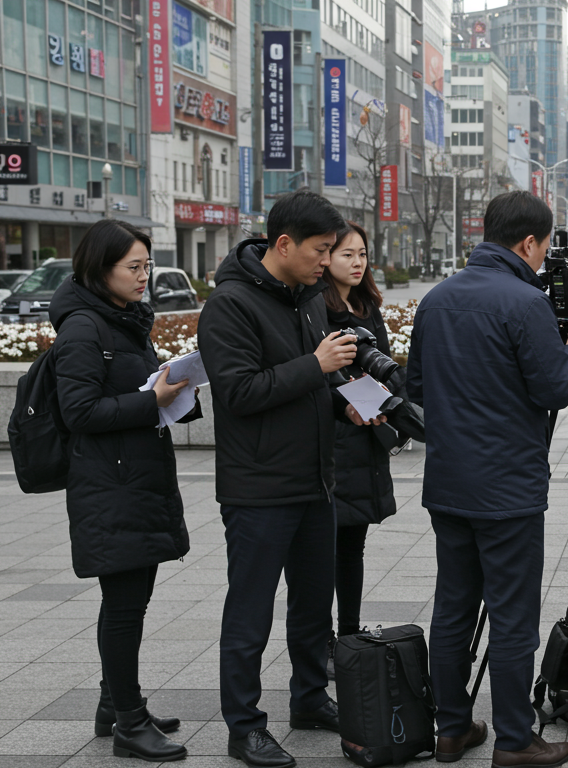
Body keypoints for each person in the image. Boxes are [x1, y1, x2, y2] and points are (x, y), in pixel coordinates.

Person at [201, 191, 384, 768]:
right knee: (251, 610)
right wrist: (318, 366)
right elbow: (238, 393)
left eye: (332, 250)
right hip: (257, 486)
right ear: (283, 245)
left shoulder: (306, 299)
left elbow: (314, 383)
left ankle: (308, 699)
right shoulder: (228, 305)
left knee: (313, 606)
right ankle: (245, 726)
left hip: (314, 480)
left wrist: (344, 406)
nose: (326, 261)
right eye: (320, 250)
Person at [408, 191, 568, 767]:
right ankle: (515, 739)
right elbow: (555, 387)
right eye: (540, 251)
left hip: (449, 483)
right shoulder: (525, 301)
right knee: (513, 617)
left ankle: (451, 729)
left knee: (452, 610)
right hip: (507, 488)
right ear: (529, 243)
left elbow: (415, 390)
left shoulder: (436, 299)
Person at [51, 220, 198, 762]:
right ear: (100, 268)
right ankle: (129, 724)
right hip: (109, 485)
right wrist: (152, 401)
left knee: (128, 603)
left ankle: (115, 704)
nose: (144, 276)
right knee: (124, 607)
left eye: (146, 265)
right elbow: (80, 412)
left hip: (133, 478)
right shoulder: (83, 329)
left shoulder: (122, 320)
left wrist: (174, 392)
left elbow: (133, 391)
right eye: (133, 267)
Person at [322, 223, 401, 661]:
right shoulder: (317, 307)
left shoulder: (368, 304)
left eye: (362, 254)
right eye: (346, 254)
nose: (356, 263)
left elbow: (383, 365)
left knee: (353, 545)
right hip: (337, 437)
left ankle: (347, 635)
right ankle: (323, 639)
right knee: (329, 546)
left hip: (367, 435)